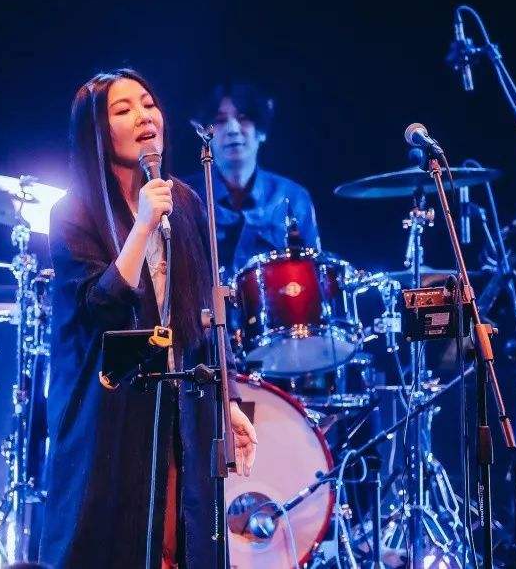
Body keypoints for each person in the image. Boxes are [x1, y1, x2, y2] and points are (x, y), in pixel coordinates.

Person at [39, 69, 257, 569]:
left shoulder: (185, 201)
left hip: (180, 400)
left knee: (183, 538)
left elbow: (204, 315)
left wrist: (227, 400)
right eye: (123, 110)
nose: (143, 116)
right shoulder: (73, 212)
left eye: (148, 103)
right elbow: (102, 307)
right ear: (97, 132)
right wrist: (141, 225)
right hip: (109, 407)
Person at [184, 82, 321, 277]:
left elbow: (314, 275)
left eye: (243, 118)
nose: (233, 129)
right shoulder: (186, 196)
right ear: (205, 133)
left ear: (261, 131)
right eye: (220, 120)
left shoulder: (294, 196)